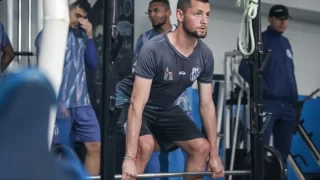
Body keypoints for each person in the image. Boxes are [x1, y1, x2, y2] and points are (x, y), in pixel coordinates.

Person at [116, 0, 224, 179]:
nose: (204, 20)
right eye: (197, 14)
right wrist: (129, 158)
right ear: (180, 16)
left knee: (202, 148)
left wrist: (214, 154)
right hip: (131, 101)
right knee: (145, 145)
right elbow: (137, 103)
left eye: (207, 15)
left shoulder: (205, 55)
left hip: (165, 106)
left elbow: (206, 104)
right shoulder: (154, 49)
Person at [35, 0, 101, 175]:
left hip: (82, 103)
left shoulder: (81, 34)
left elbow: (93, 64)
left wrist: (90, 36)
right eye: (77, 15)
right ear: (66, 11)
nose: (79, 20)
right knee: (58, 152)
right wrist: (56, 101)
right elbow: (45, 72)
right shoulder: (49, 36)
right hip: (60, 101)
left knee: (95, 146)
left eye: (83, 17)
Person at [239, 4, 298, 165]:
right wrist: (264, 90)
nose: (283, 22)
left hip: (287, 106)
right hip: (268, 103)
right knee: (262, 150)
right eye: (279, 19)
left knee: (283, 153)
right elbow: (243, 69)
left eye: (285, 19)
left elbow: (288, 73)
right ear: (270, 19)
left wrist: (294, 101)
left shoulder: (286, 43)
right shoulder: (260, 40)